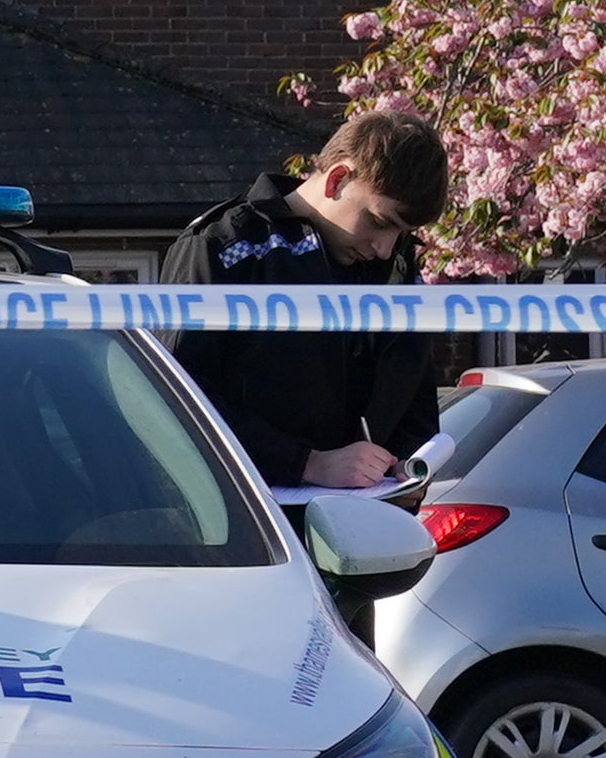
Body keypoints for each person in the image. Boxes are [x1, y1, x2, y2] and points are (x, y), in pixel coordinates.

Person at [157, 106, 449, 491]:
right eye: (379, 222)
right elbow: (171, 398)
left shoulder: (394, 264)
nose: (384, 248)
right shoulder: (224, 249)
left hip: (370, 522)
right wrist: (305, 464)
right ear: (338, 179)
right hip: (246, 523)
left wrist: (409, 468)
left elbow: (414, 387)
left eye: (403, 233)